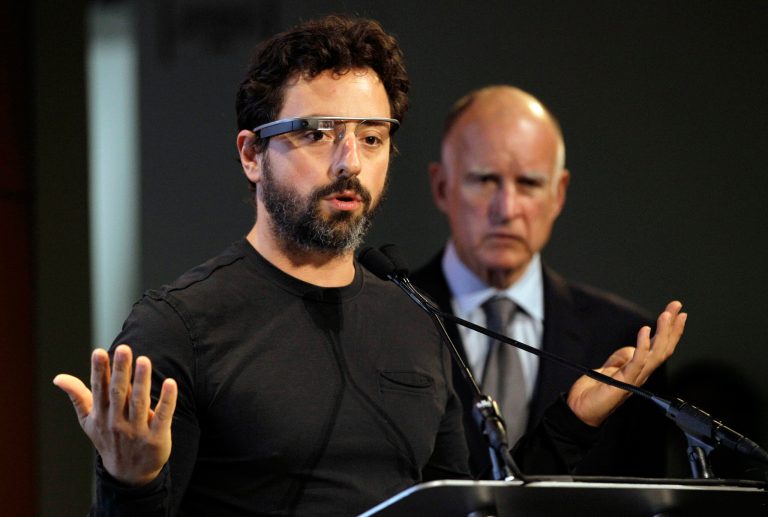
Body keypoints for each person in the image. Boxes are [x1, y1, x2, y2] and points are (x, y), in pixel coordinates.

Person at [53, 17, 686, 516]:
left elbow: (463, 510)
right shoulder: (178, 328)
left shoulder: (415, 319)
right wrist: (129, 482)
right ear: (252, 154)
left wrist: (570, 424)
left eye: (372, 137)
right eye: (318, 132)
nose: (349, 161)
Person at [412, 85, 676, 478]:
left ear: (559, 193)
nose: (507, 209)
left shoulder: (624, 339)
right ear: (441, 187)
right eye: (484, 180)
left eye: (530, 183)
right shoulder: (388, 316)